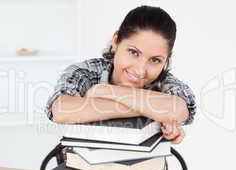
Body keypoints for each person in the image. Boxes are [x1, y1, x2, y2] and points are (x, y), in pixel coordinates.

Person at [45, 5, 196, 144]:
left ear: (165, 62)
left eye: (155, 60)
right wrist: (152, 111)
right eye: (133, 52)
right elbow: (61, 111)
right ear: (116, 41)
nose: (140, 70)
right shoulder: (86, 72)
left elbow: (181, 109)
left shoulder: (163, 81)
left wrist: (104, 91)